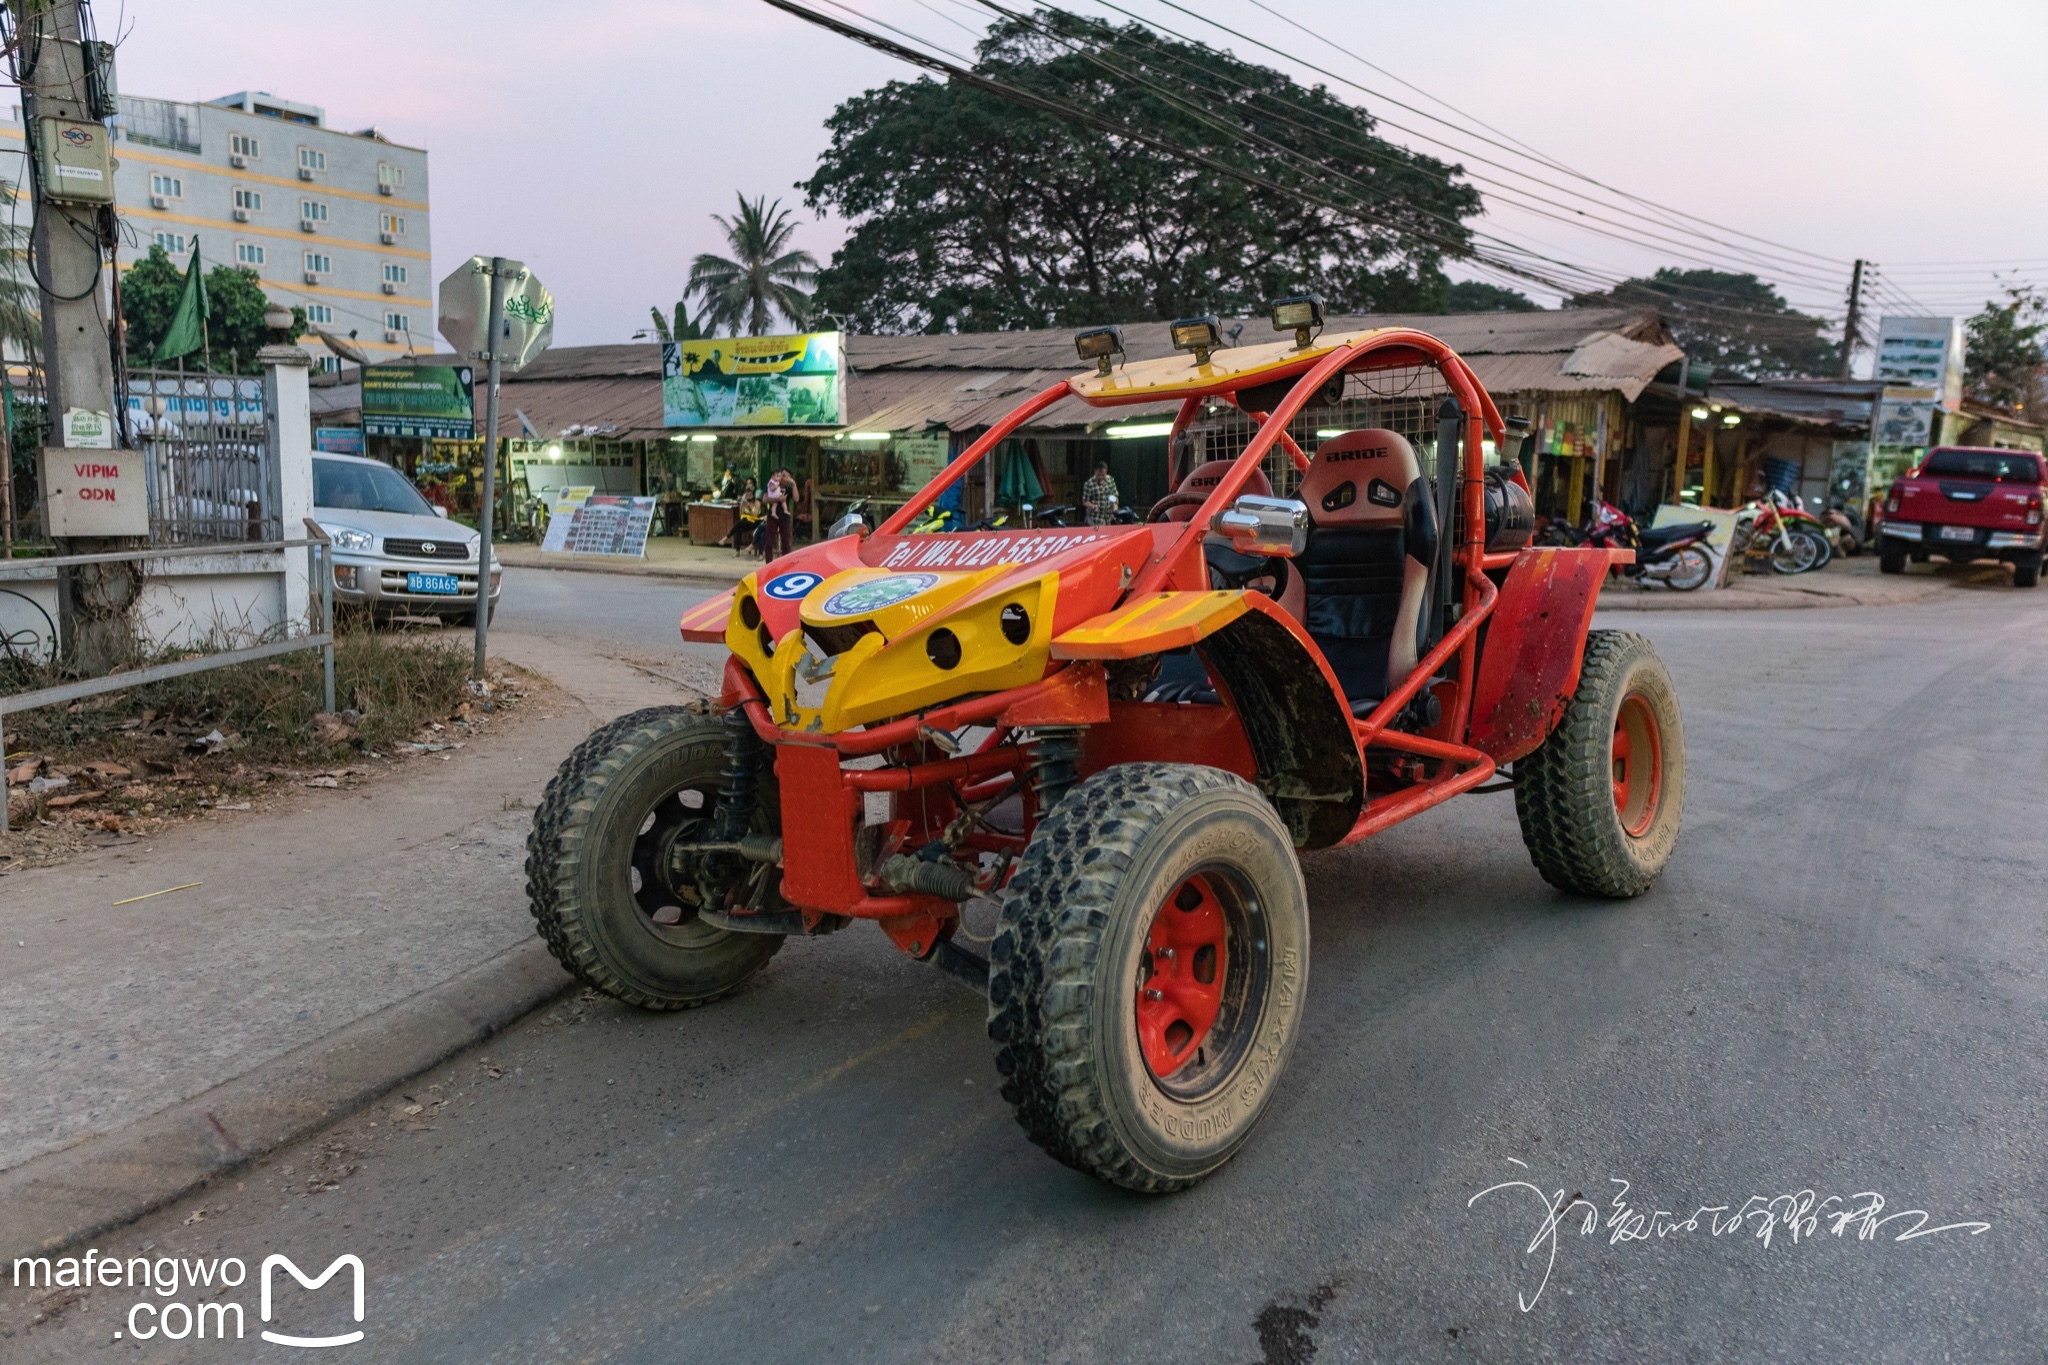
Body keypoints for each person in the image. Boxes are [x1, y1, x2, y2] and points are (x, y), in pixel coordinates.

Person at [762, 469, 794, 561]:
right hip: (772, 517)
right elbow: (764, 499)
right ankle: (769, 564)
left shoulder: (788, 489)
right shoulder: (772, 484)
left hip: (784, 517)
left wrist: (793, 484)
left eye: (784, 476)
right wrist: (778, 500)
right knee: (769, 541)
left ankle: (785, 564)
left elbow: (796, 498)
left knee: (786, 542)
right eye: (780, 476)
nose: (782, 478)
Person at [1082, 460, 1120, 526]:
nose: (1100, 477)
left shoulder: (1110, 480)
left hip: (1108, 516)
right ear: (1095, 471)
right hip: (1096, 517)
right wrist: (1093, 506)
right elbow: (1085, 501)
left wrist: (1115, 511)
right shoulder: (1089, 484)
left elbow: (1114, 497)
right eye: (1098, 475)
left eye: (1103, 475)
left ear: (1106, 472)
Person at [732, 477, 764, 556]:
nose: (748, 485)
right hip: (748, 520)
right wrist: (742, 506)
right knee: (738, 528)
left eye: (750, 484)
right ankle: (737, 551)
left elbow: (756, 512)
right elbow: (741, 514)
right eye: (747, 484)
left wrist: (749, 506)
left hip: (757, 520)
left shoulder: (758, 494)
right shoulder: (745, 496)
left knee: (760, 532)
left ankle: (760, 554)